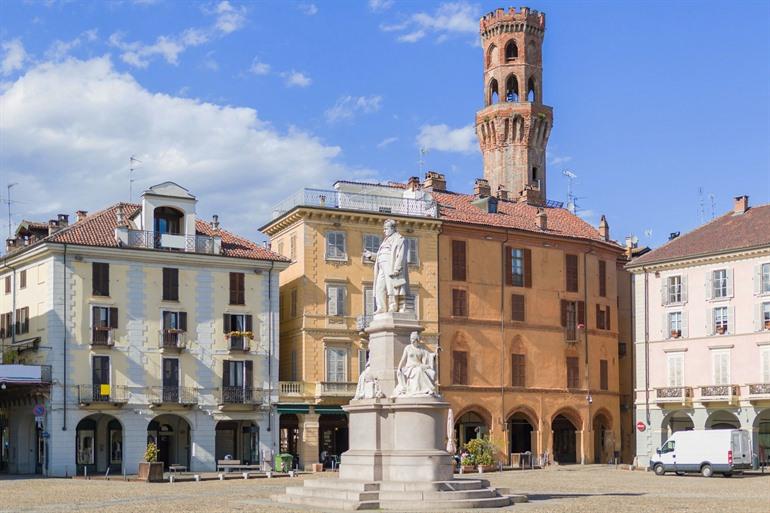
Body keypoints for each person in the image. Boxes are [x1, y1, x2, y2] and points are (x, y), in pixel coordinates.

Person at [363, 219, 409, 313]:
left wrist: (397, 268)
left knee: (391, 286)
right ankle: (381, 307)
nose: (384, 231)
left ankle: (393, 306)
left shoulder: (399, 239)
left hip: (391, 265)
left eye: (386, 228)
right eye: (384, 229)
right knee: (379, 287)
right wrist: (371, 255)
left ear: (393, 228)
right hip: (381, 266)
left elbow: (401, 255)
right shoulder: (385, 241)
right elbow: (381, 255)